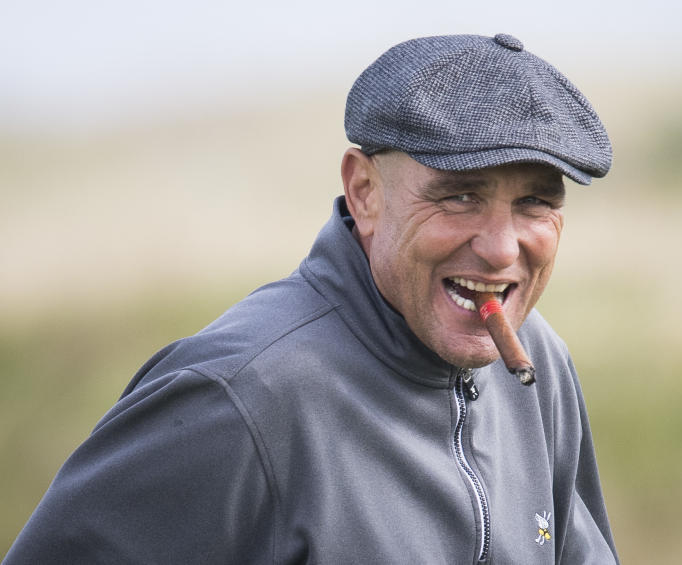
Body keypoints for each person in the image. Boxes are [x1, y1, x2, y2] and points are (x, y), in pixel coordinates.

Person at [4, 33, 618, 564]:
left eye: (536, 202)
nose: (501, 248)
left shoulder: (539, 363)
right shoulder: (237, 397)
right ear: (364, 192)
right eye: (460, 196)